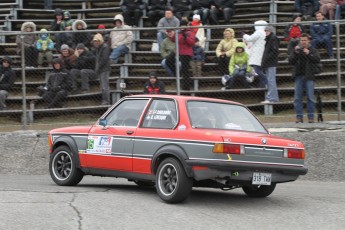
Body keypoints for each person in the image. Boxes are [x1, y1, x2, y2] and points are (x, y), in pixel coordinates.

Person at [288, 33, 321, 123]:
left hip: (309, 76)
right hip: (298, 76)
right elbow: (290, 61)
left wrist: (309, 53)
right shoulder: (296, 49)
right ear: (300, 41)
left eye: (305, 40)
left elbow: (317, 59)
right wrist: (295, 52)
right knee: (297, 98)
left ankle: (311, 117)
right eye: (302, 40)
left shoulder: (312, 50)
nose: (303, 42)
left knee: (310, 97)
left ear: (308, 40)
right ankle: (299, 117)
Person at [242, 20, 268, 88]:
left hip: (257, 52)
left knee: (257, 69)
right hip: (258, 51)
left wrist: (244, 35)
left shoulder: (259, 32)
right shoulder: (262, 32)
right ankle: (262, 85)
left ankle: (265, 81)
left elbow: (250, 39)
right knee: (258, 69)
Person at [171, 20, 195, 90]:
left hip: (186, 53)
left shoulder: (189, 32)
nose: (182, 27)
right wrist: (175, 33)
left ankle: (186, 87)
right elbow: (173, 40)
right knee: (182, 69)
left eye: (184, 25)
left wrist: (185, 37)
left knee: (185, 70)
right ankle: (184, 84)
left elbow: (192, 43)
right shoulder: (178, 32)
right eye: (181, 25)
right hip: (179, 52)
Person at [261, 26, 280, 104]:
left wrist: (266, 59)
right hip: (269, 62)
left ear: (271, 31)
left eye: (267, 31)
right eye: (265, 31)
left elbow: (274, 51)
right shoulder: (269, 39)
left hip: (271, 63)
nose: (266, 32)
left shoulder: (273, 38)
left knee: (271, 80)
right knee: (270, 80)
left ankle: (271, 98)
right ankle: (273, 98)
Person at [92, 33, 111, 105]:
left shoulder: (104, 47)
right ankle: (105, 100)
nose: (96, 42)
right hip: (101, 69)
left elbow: (104, 59)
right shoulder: (98, 48)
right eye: (94, 41)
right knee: (103, 86)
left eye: (97, 41)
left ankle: (106, 101)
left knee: (104, 86)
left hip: (104, 69)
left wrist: (98, 68)